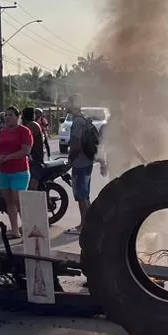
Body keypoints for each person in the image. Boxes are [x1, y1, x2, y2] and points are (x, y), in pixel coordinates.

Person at [63, 97, 108, 237]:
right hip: (87, 161)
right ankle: (87, 223)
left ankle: (85, 225)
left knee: (81, 196)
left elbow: (76, 145)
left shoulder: (77, 122)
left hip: (80, 163)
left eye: (68, 103)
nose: (66, 106)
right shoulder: (84, 119)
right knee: (85, 195)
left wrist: (70, 160)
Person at [0, 107, 34, 240]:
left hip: (19, 171)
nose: (7, 117)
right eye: (6, 115)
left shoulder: (24, 131)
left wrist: (7, 157)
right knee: (9, 202)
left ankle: (29, 231)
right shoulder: (2, 132)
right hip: (3, 171)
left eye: (10, 115)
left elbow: (25, 151)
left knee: (19, 201)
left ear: (17, 117)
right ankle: (15, 230)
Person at [21, 107, 48, 191]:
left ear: (24, 116)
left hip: (35, 161)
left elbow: (23, 141)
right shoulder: (29, 125)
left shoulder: (32, 125)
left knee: (32, 188)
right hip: (29, 160)